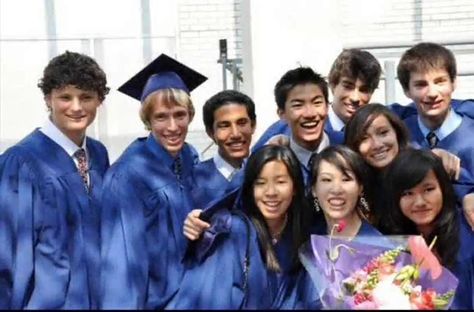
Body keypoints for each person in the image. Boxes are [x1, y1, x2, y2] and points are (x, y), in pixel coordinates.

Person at [0, 51, 110, 309]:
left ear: (99, 101)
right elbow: (8, 254)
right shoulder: (21, 163)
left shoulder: (99, 154)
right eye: (65, 97)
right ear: (48, 99)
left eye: (86, 97)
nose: (76, 107)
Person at [99, 54, 206, 309]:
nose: (172, 126)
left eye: (180, 115)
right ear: (147, 121)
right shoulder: (127, 176)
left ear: (190, 116)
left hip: (193, 296)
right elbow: (122, 267)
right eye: (161, 117)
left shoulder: (190, 157)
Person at [167, 145, 315, 309]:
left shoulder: (301, 232)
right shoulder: (233, 230)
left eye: (280, 182)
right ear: (250, 189)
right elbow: (212, 297)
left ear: (294, 187)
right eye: (260, 183)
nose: (271, 192)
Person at [384, 148, 474, 309]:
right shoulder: (393, 245)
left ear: (443, 188)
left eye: (428, 189)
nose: (419, 202)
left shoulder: (468, 228)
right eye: (408, 193)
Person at [253, 48, 384, 149]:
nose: (355, 97)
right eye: (348, 86)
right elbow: (245, 176)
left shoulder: (374, 132)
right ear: (333, 84)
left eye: (364, 90)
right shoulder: (283, 129)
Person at [398, 42, 474, 203]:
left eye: (440, 81)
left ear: (453, 82)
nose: (432, 93)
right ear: (406, 90)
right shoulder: (398, 136)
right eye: (421, 84)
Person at [183, 90, 256, 237]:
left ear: (253, 125)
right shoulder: (192, 182)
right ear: (211, 132)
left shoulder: (261, 175)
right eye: (224, 125)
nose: (235, 134)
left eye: (242, 123)